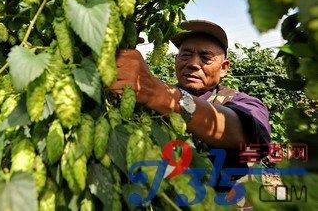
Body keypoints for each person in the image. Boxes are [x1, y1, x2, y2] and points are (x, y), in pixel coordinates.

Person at [109, 20, 272, 206]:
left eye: (206, 57)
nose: (193, 63)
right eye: (185, 55)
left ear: (224, 67)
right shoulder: (152, 97)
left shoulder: (243, 102)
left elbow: (243, 134)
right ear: (175, 61)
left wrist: (158, 94)